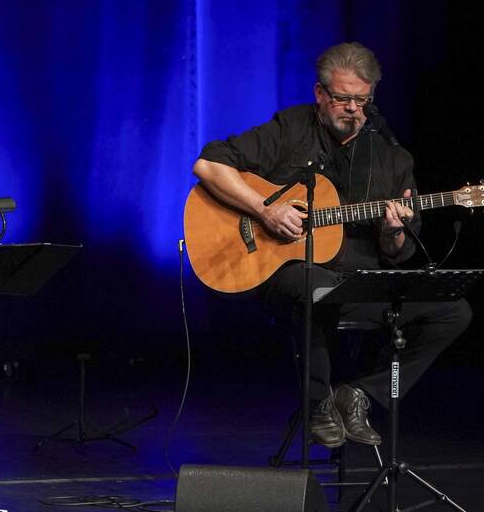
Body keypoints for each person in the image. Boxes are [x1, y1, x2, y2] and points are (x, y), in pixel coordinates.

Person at [193, 42, 471, 449]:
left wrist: (393, 232)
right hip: (291, 276)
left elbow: (399, 254)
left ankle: (360, 394)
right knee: (315, 284)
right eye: (342, 98)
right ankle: (318, 402)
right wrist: (265, 212)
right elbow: (208, 164)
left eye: (362, 100)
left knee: (454, 309)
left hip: (361, 280)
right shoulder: (291, 129)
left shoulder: (393, 158)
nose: (353, 109)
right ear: (320, 94)